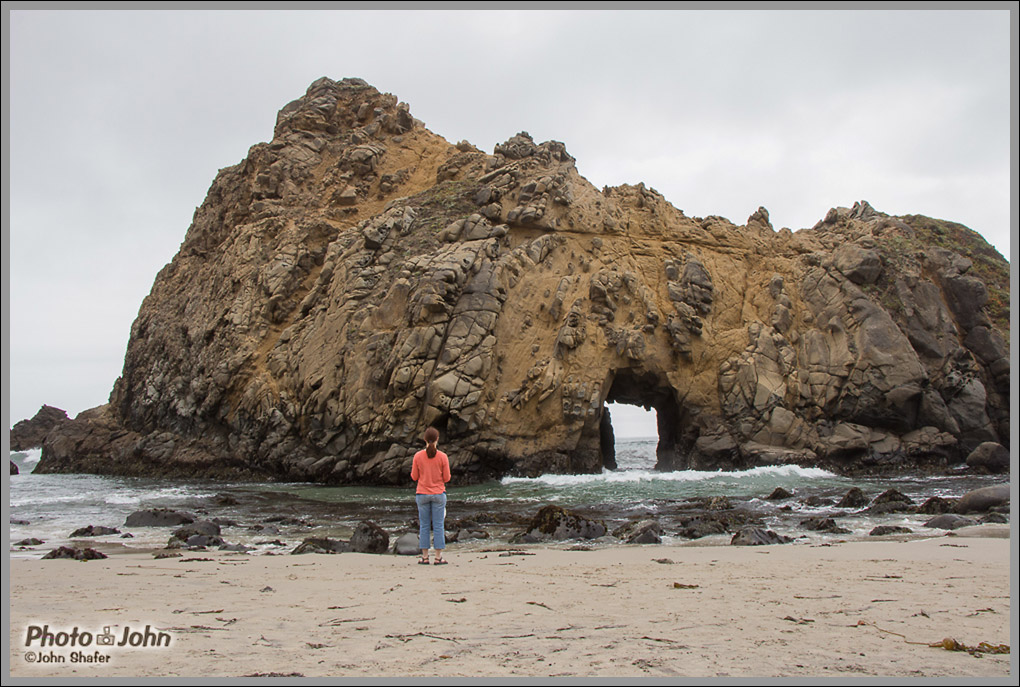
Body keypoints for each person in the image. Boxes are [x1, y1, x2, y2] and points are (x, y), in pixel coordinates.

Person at [410, 426, 451, 565]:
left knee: (424, 525)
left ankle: (425, 557)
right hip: (438, 493)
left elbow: (414, 476)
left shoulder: (418, 456)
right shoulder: (443, 457)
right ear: (437, 439)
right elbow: (447, 478)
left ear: (424, 439)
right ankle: (438, 557)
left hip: (422, 494)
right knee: (439, 525)